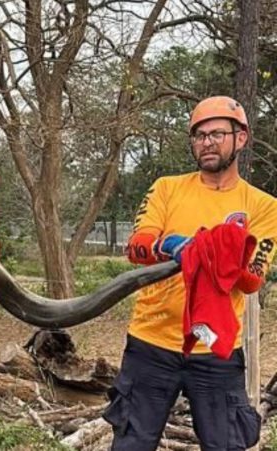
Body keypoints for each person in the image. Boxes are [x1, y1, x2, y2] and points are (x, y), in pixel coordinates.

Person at [108, 96, 277, 450]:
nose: (206, 143)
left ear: (241, 138)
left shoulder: (264, 207)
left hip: (217, 350)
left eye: (216, 134)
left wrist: (218, 252)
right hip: (151, 343)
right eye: (199, 136)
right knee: (131, 444)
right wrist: (169, 245)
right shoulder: (166, 188)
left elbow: (251, 280)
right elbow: (137, 247)